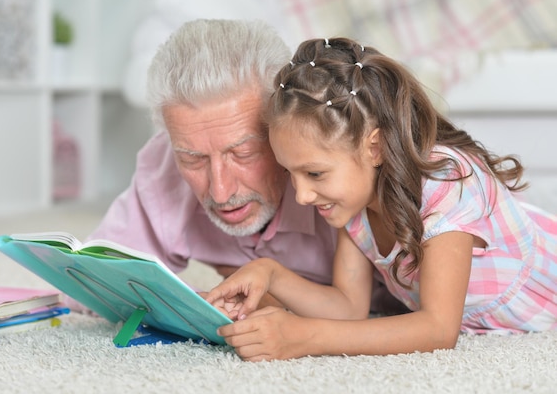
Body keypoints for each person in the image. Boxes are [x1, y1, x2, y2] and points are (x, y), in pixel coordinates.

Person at [205, 36, 557, 361]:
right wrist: (268, 273)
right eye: (289, 173)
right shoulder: (354, 204)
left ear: (374, 147)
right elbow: (348, 308)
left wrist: (306, 337)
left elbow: (438, 328)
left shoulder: (446, 184)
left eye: (314, 174)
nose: (301, 196)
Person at [89, 19, 408, 313]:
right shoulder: (165, 163)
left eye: (243, 154)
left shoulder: (346, 171)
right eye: (193, 159)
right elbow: (97, 275)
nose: (221, 190)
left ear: (285, 127)